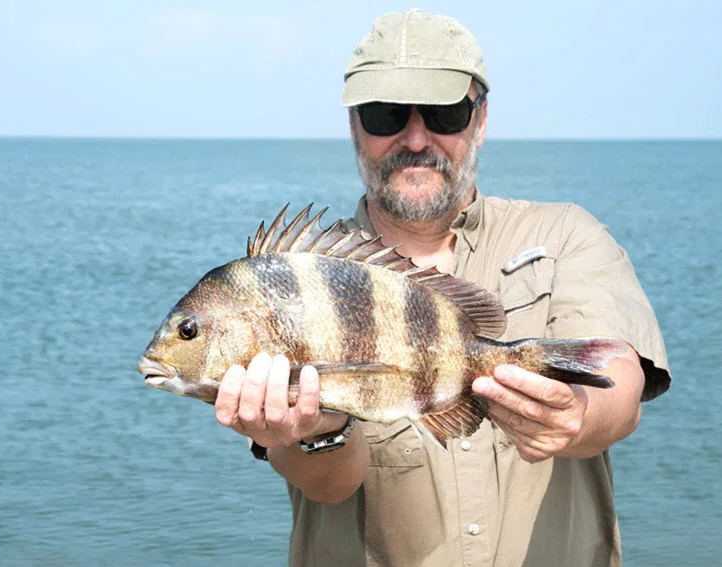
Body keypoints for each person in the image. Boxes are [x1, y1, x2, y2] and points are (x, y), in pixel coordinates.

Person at [213, 9, 670, 567]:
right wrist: (319, 428)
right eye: (385, 115)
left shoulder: (566, 234)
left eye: (443, 112)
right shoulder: (298, 281)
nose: (415, 137)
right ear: (354, 124)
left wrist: (576, 413)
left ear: (480, 120)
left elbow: (617, 386)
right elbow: (328, 486)